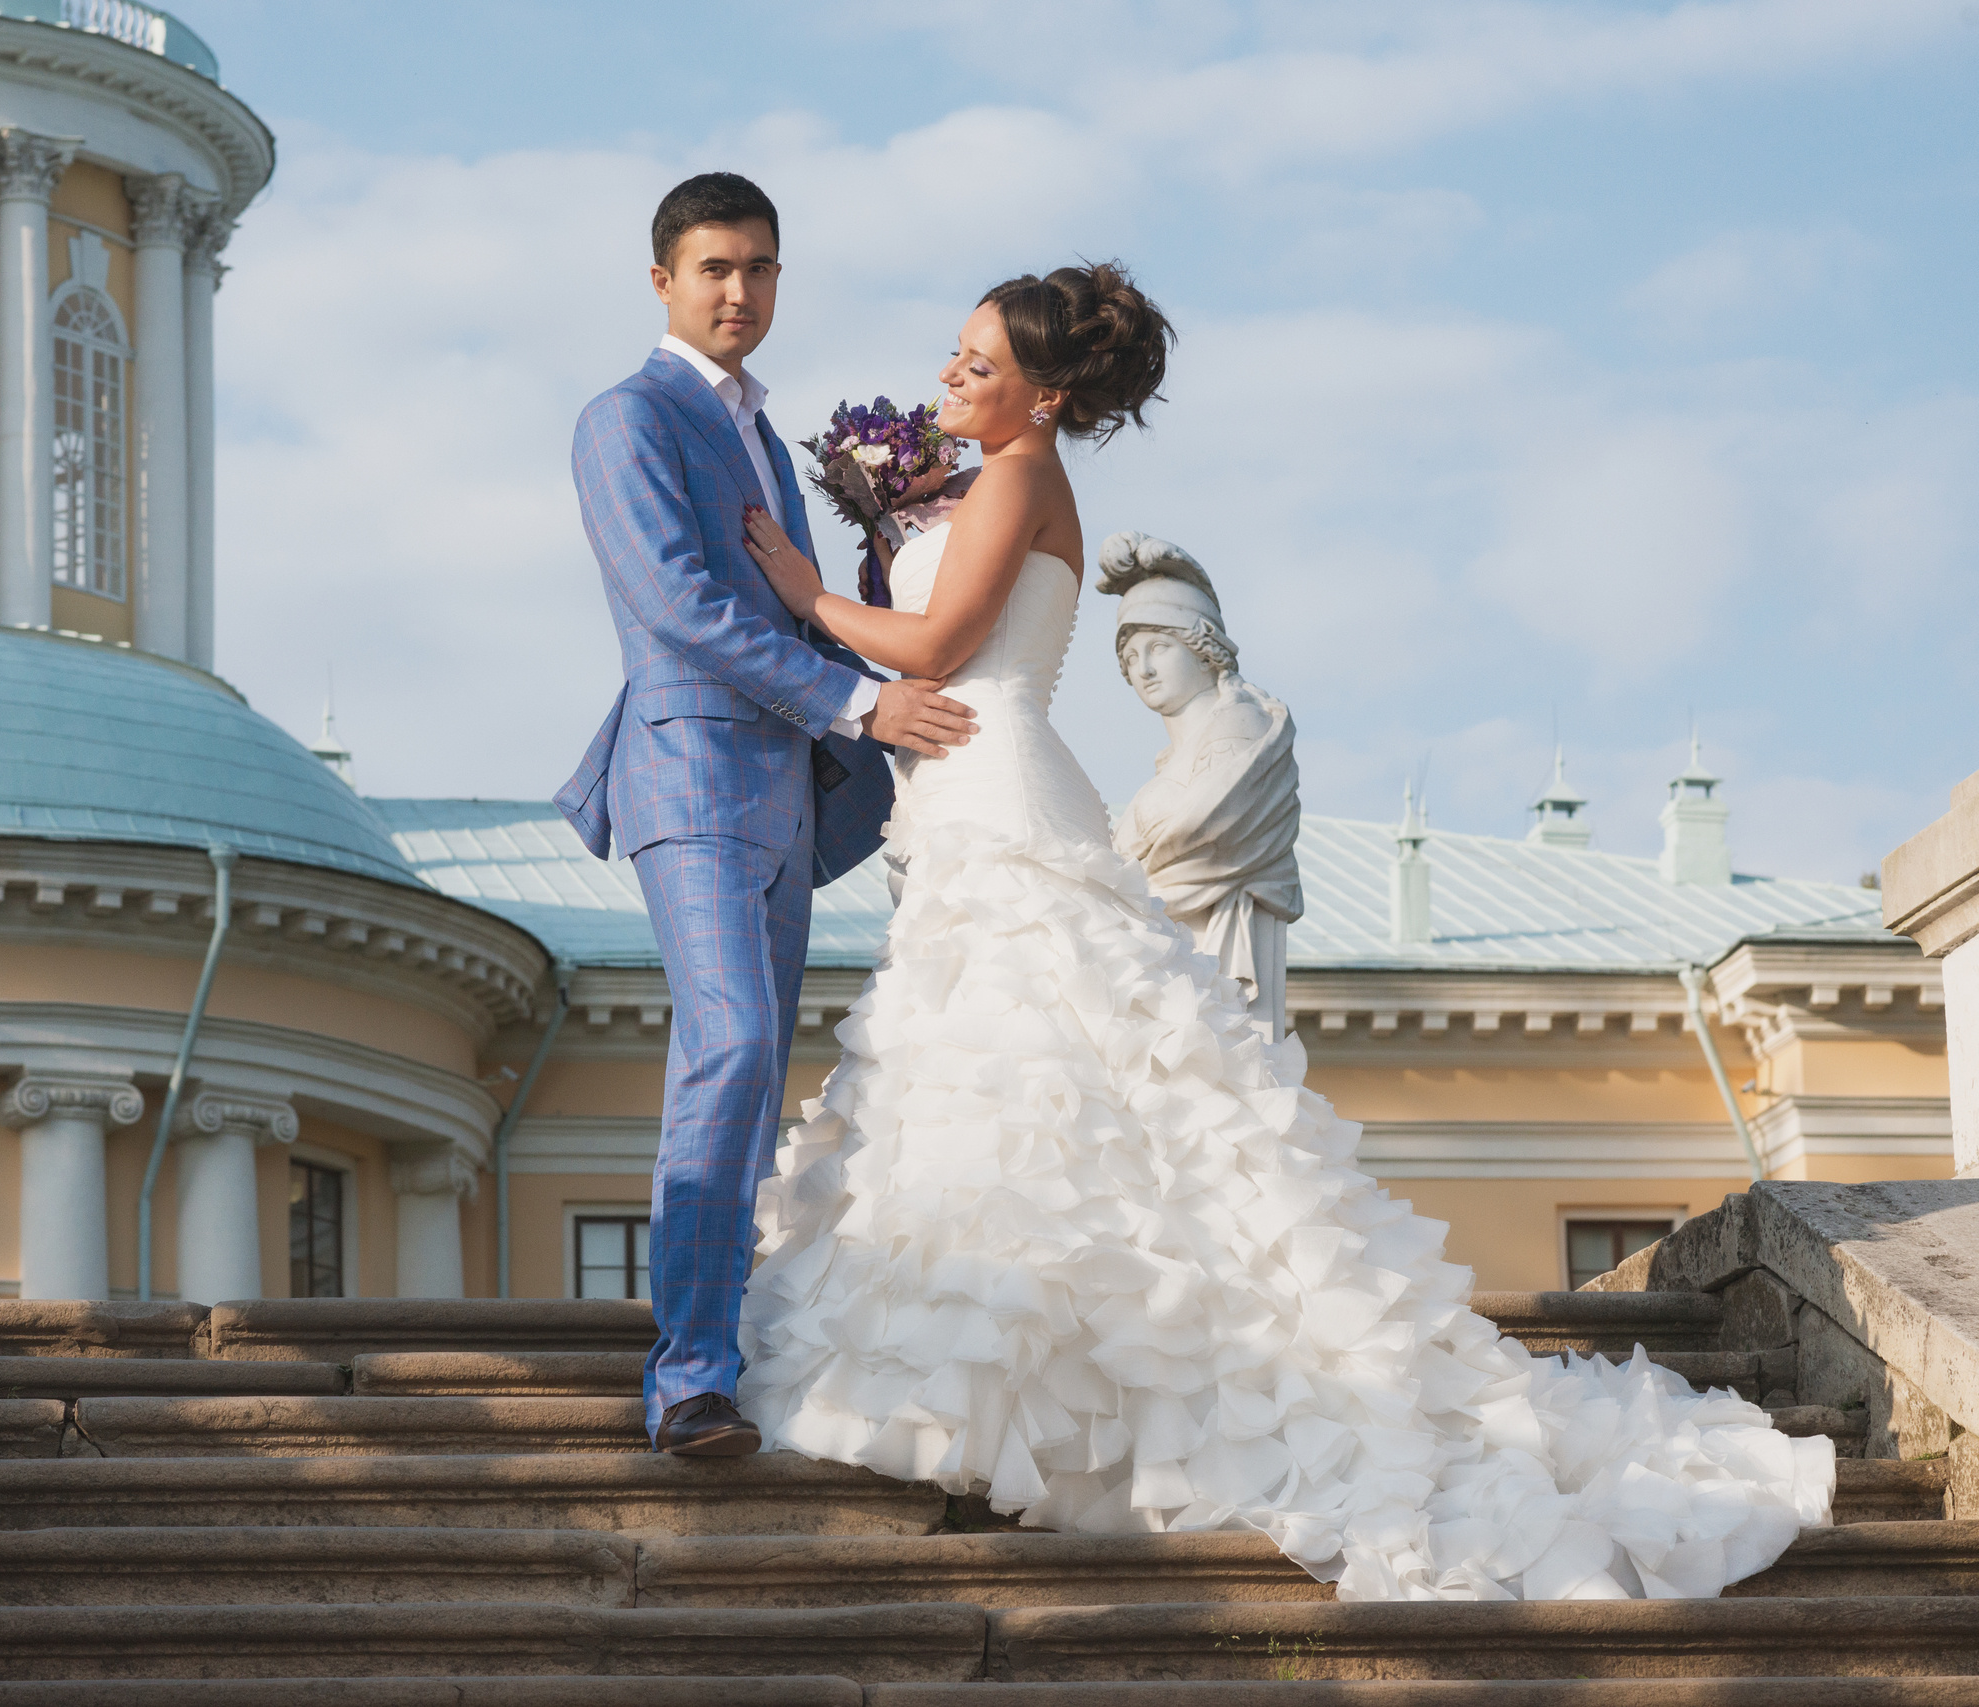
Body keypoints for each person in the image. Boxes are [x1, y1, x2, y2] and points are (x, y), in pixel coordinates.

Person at [729, 263, 1833, 1600]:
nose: (952, 376)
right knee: (1021, 1111)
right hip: (972, 810)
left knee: (1025, 1104)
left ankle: (1030, 1413)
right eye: (955, 355)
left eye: (979, 362)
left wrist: (798, 588)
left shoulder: (1020, 476)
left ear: (1048, 391)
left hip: (1003, 807)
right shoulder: (990, 478)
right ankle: (999, 1406)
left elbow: (939, 638)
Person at [555, 172, 980, 1454]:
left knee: (754, 1068)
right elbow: (678, 604)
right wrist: (859, 704)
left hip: (787, 797)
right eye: (713, 270)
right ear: (662, 281)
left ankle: (724, 1354)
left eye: (759, 269)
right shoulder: (625, 416)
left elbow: (788, 597)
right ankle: (686, 1376)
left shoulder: (763, 432)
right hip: (688, 775)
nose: (739, 293)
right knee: (729, 1046)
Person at [1103, 533, 1301, 1039]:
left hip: (1207, 968)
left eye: (1159, 647)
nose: (1143, 669)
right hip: (1162, 975)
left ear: (1203, 648)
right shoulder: (1167, 769)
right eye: (1130, 657)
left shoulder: (1241, 733)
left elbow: (1200, 839)